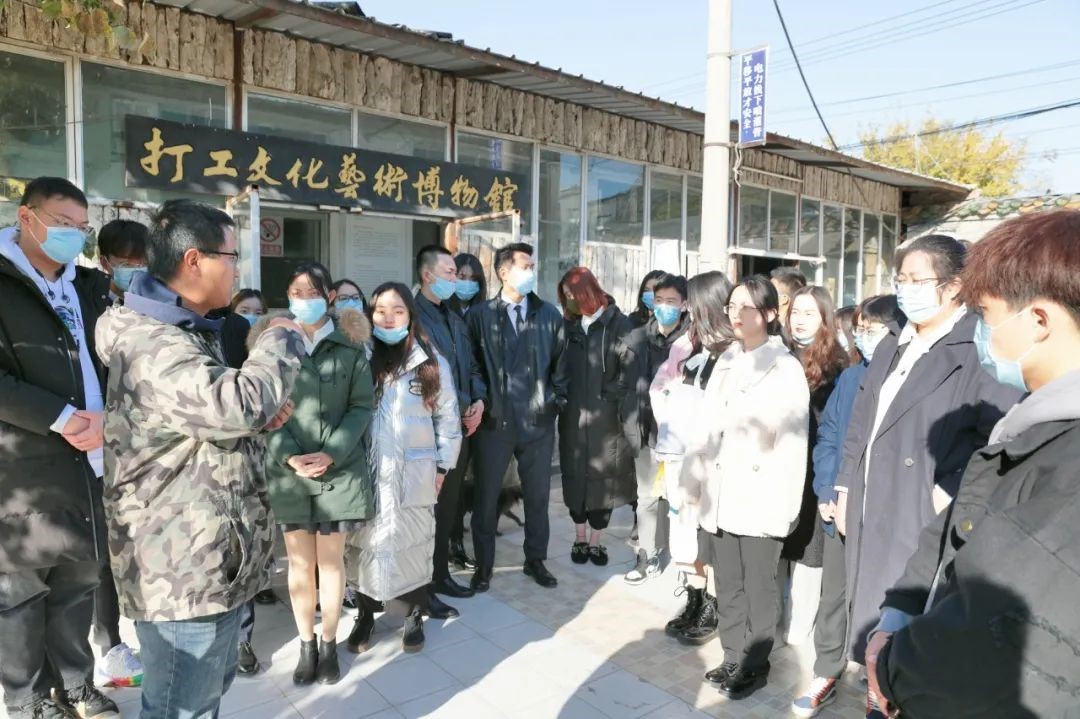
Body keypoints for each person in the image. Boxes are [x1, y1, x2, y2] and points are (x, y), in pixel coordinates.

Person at [95, 199, 303, 719]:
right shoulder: (151, 342)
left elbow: (212, 420)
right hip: (181, 570)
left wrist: (254, 421)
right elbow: (238, 403)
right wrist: (277, 335)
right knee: (180, 707)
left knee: (202, 696)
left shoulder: (186, 329)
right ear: (194, 261)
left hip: (209, 559)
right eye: (232, 257)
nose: (237, 270)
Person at [867, 210, 1080, 716]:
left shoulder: (1067, 459)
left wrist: (894, 666)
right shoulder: (1034, 424)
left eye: (984, 313)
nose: (979, 331)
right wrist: (901, 608)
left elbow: (990, 650)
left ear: (1039, 321)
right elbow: (958, 526)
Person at [833, 234, 1022, 668]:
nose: (905, 290)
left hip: (924, 507)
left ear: (954, 286)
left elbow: (997, 436)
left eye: (917, 280)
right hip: (870, 495)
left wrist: (945, 491)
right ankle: (874, 685)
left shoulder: (978, 347)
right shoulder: (893, 339)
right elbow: (861, 421)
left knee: (906, 622)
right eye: (900, 279)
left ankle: (889, 689)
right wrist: (844, 485)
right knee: (869, 615)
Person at [0, 177, 120, 719]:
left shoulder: (89, 287)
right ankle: (26, 699)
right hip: (24, 465)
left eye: (81, 227)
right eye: (63, 223)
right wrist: (63, 417)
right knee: (21, 590)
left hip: (91, 460)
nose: (74, 235)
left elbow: (116, 365)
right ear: (27, 217)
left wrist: (109, 418)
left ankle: (74, 684)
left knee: (80, 579)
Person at [695, 276, 809, 700]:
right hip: (722, 489)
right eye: (732, 306)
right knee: (728, 581)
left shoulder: (785, 367)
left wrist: (785, 506)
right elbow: (708, 428)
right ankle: (731, 655)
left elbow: (794, 445)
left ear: (770, 314)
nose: (736, 314)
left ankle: (755, 664)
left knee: (759, 586)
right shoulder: (726, 360)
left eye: (747, 307)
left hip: (762, 495)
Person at [260, 262, 374, 686]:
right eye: (296, 292)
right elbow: (263, 406)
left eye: (313, 292)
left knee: (331, 563)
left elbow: (362, 406)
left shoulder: (351, 346)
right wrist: (290, 456)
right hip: (290, 472)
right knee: (299, 563)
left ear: (329, 297)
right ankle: (305, 645)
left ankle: (328, 644)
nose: (304, 299)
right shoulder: (273, 345)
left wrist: (331, 452)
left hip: (338, 470)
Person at [792, 294, 900, 717]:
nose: (864, 337)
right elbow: (829, 437)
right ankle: (827, 671)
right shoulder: (853, 377)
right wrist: (825, 491)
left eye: (875, 329)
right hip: (839, 506)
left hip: (884, 511)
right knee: (833, 595)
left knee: (880, 599)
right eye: (862, 329)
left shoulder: (906, 378)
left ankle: (878, 683)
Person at [346, 282, 461, 654]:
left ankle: (414, 614)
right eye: (380, 310)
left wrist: (442, 467)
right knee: (364, 546)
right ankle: (365, 615)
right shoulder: (359, 357)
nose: (388, 318)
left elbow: (448, 419)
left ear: (410, 315)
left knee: (413, 543)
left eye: (398, 310)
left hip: (415, 473)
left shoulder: (430, 361)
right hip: (367, 472)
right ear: (370, 314)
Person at [465, 242, 567, 591]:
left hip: (537, 421)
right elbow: (472, 365)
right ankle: (484, 566)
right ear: (503, 272)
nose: (531, 272)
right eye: (525, 266)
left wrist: (554, 402)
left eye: (532, 266)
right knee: (486, 495)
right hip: (494, 421)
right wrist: (480, 399)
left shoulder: (548, 315)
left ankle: (535, 560)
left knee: (538, 496)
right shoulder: (479, 316)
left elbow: (561, 366)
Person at [649, 271, 732, 646]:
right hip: (677, 452)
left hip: (710, 460)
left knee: (706, 533)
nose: (687, 310)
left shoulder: (734, 351)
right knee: (683, 529)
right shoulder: (686, 344)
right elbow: (660, 386)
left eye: (692, 303)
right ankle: (695, 597)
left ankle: (712, 604)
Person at [413, 245, 485, 616]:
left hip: (457, 431)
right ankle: (420, 587)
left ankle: (440, 575)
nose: (455, 279)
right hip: (425, 433)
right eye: (450, 272)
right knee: (424, 513)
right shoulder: (413, 319)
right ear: (428, 275)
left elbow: (471, 367)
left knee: (447, 509)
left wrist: (478, 401)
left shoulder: (455, 318)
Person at [207, 287, 273, 678]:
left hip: (246, 460)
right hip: (200, 469)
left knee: (242, 549)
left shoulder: (235, 330)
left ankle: (241, 639)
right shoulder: (174, 331)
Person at [557, 268, 639, 567]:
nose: (569, 300)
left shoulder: (618, 323)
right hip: (573, 417)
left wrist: (609, 394)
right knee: (574, 477)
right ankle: (579, 537)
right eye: (565, 296)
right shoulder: (569, 324)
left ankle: (596, 541)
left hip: (607, 419)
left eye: (573, 294)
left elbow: (631, 368)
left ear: (588, 291)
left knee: (604, 481)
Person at [781, 287, 849, 648]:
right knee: (780, 545)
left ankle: (800, 622)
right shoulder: (778, 357)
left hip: (815, 471)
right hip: (780, 471)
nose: (800, 320)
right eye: (795, 312)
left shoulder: (838, 366)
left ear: (825, 318)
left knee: (809, 550)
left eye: (809, 313)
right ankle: (777, 615)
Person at [624, 272, 690, 584]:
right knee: (646, 498)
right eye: (659, 300)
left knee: (682, 500)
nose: (664, 306)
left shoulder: (692, 343)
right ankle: (645, 554)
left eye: (671, 301)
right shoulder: (639, 338)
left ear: (684, 305)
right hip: (647, 432)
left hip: (681, 436)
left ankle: (688, 564)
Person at [97, 218, 147, 301]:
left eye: (145, 263)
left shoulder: (161, 301)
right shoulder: (90, 302)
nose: (138, 271)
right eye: (127, 264)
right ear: (104, 263)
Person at [449, 252, 487, 316]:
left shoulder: (486, 312)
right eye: (462, 277)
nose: (467, 283)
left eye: (473, 279)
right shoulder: (440, 310)